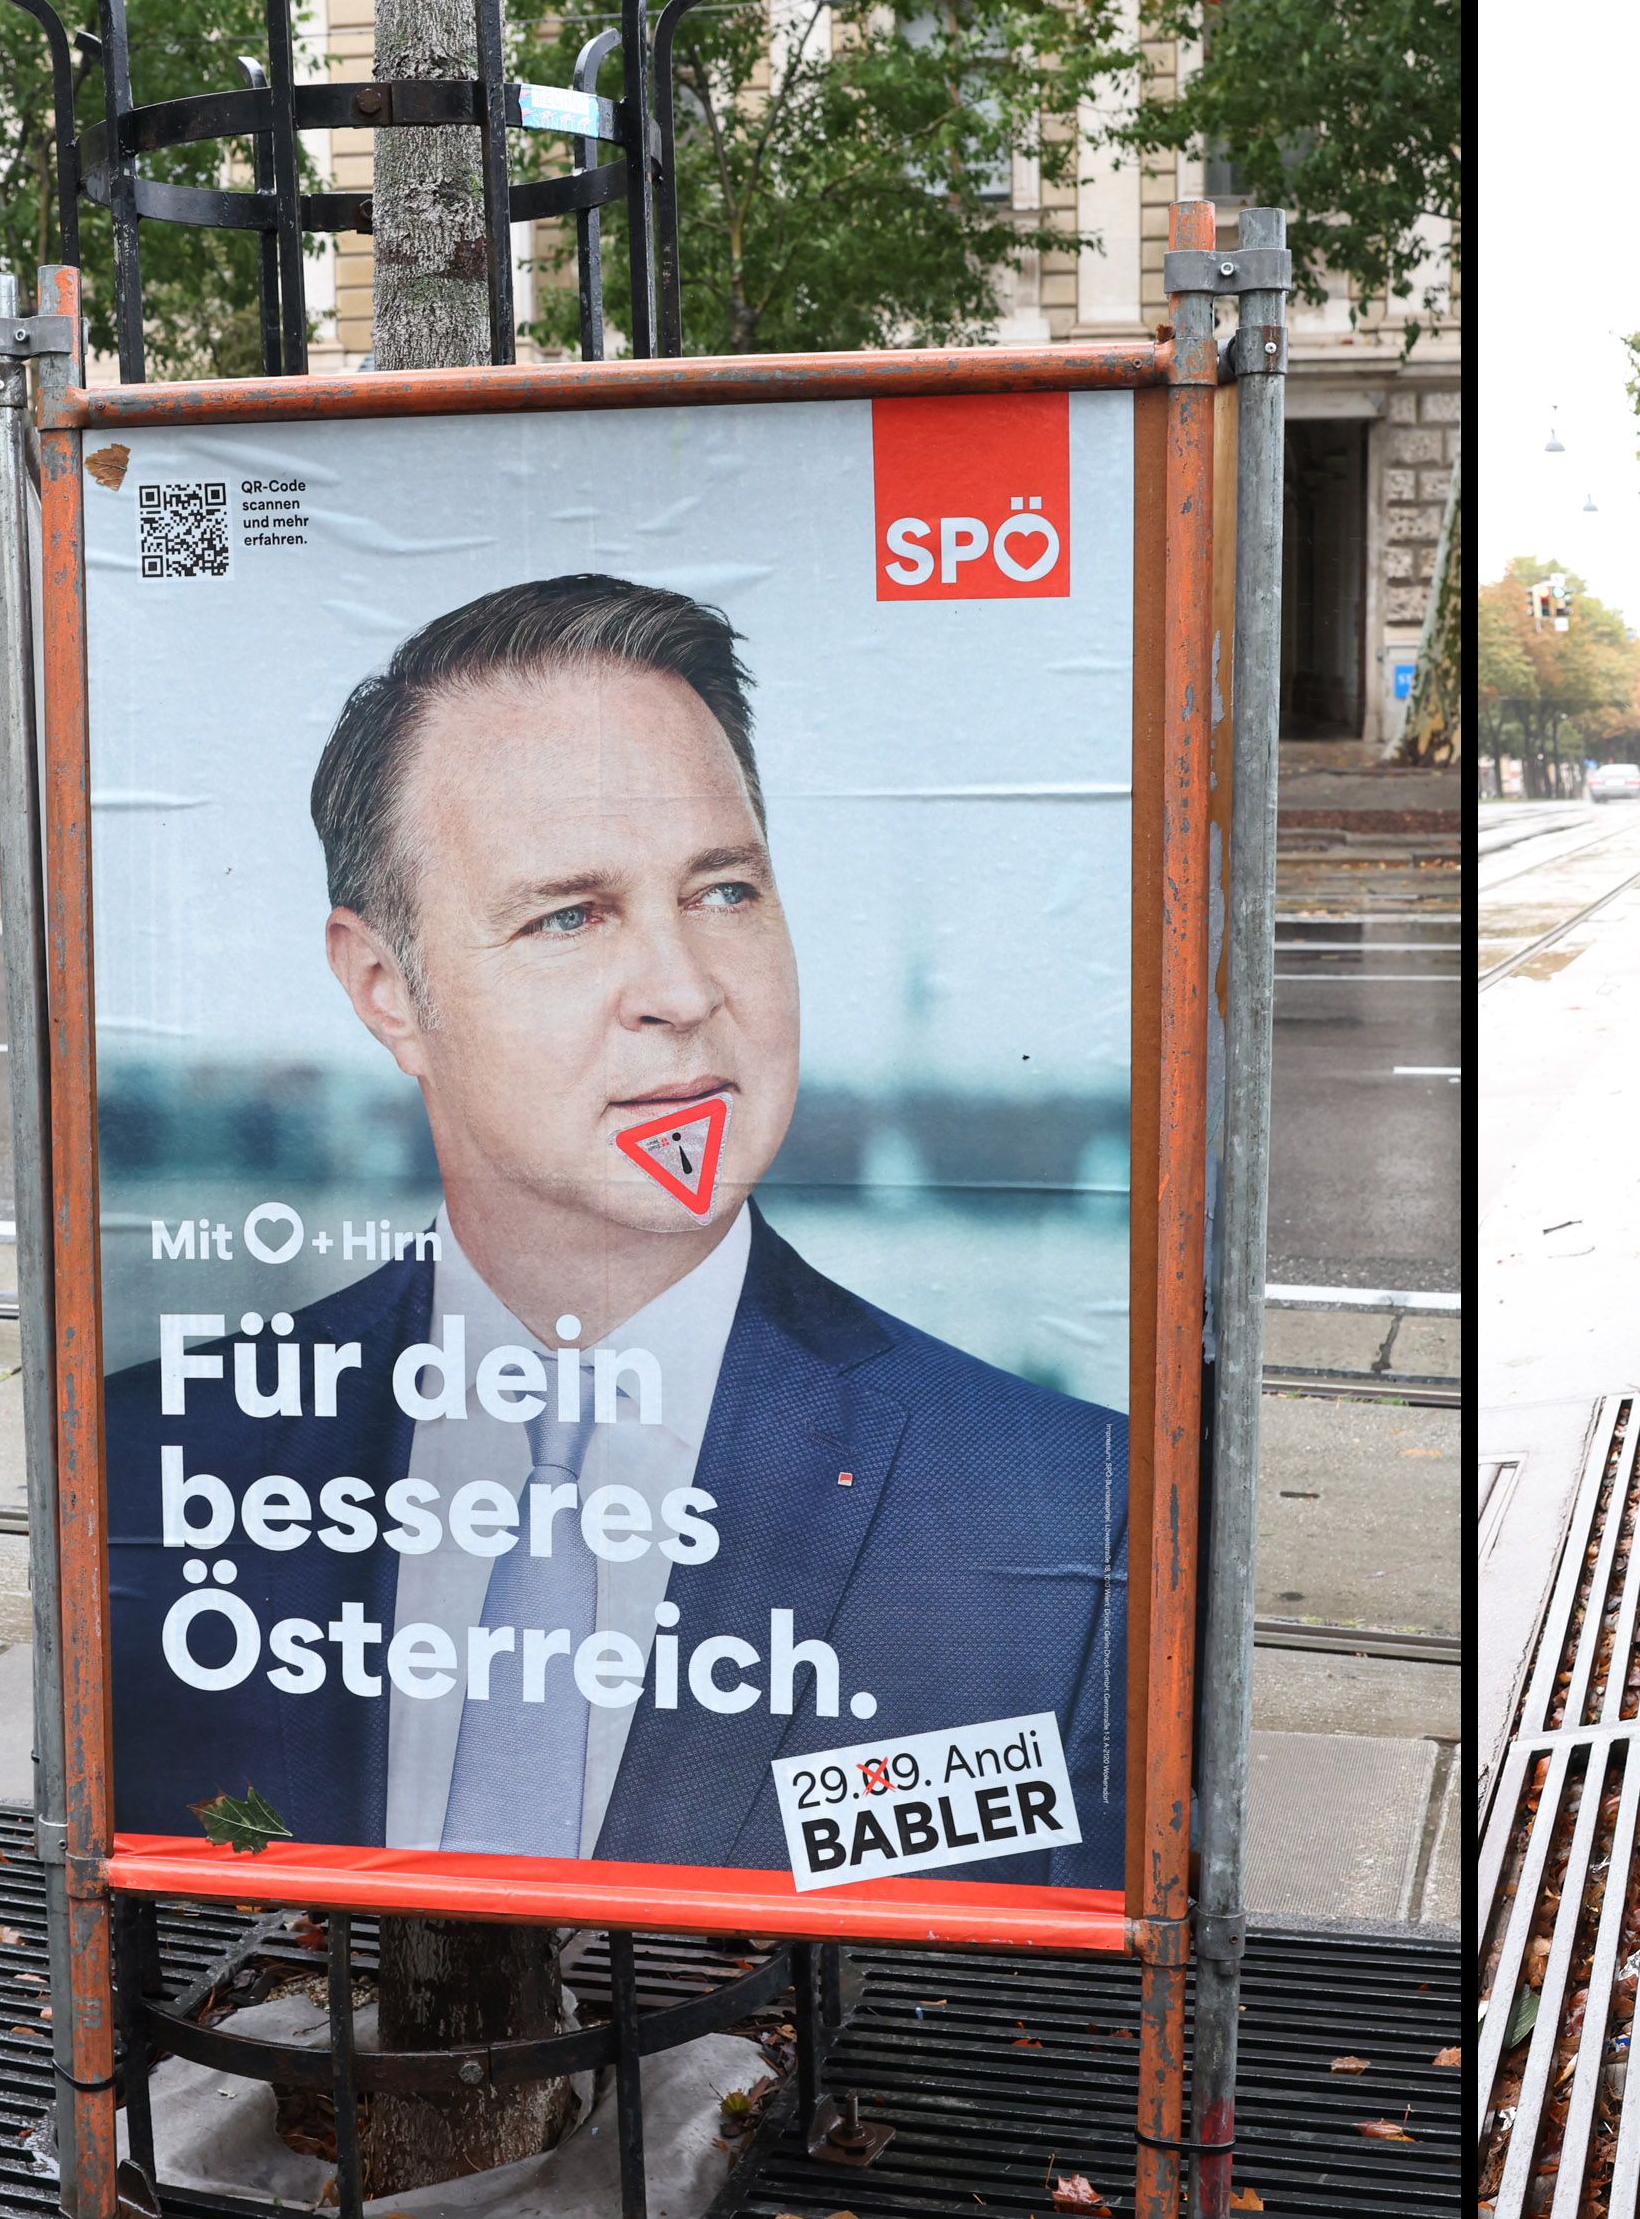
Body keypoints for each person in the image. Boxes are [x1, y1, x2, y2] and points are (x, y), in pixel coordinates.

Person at [106, 575, 1127, 1879]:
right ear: (384, 987)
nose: (684, 989)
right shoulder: (159, 1461)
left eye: (723, 893)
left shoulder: (1052, 1505)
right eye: (570, 916)